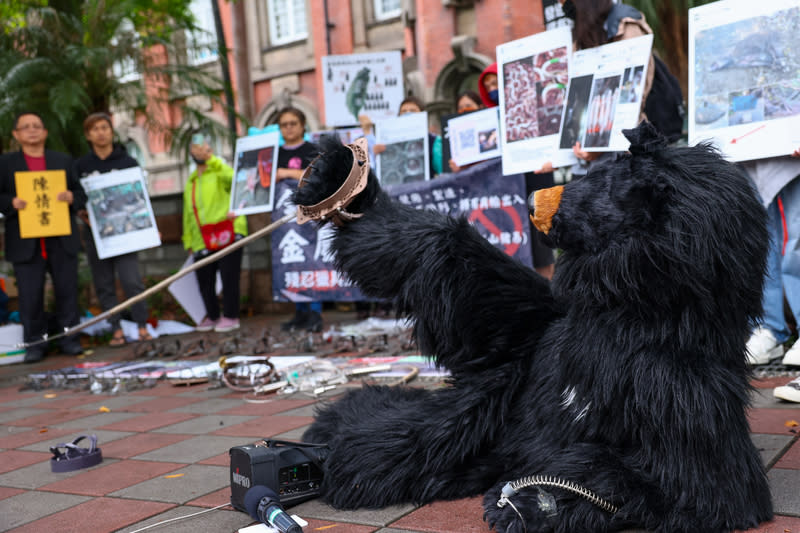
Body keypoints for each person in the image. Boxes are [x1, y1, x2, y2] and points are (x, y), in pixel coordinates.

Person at [0, 111, 86, 362]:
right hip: (26, 242)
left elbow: (81, 194)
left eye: (37, 126)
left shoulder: (63, 160)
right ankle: (35, 345)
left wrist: (72, 198)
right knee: (30, 296)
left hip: (61, 240)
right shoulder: (5, 164)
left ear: (45, 132)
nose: (32, 130)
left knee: (67, 292)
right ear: (16, 134)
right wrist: (10, 202)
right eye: (26, 127)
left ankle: (71, 340)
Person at [74, 112, 151, 347]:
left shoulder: (128, 162)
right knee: (103, 283)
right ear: (88, 135)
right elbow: (77, 198)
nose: (101, 132)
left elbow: (141, 197)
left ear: (111, 131)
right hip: (96, 234)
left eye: (105, 127)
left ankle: (142, 326)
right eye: (95, 128)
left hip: (126, 233)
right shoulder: (81, 166)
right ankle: (115, 329)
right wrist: (81, 212)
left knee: (132, 281)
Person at [182, 135, 247, 333]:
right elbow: (187, 214)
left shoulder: (220, 170)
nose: (201, 150)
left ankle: (231, 316)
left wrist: (213, 160)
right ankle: (212, 316)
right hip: (202, 237)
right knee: (204, 280)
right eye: (196, 147)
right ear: (191, 152)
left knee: (229, 276)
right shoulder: (191, 182)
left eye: (205, 147)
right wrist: (188, 241)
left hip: (229, 230)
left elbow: (237, 181)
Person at [743, 148, 800, 367]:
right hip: (750, 151)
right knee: (759, 238)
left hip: (791, 149)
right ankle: (769, 327)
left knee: (795, 235)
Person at [274, 107, 323, 332]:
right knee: (290, 263)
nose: (289, 128)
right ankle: (299, 312)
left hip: (308, 214)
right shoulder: (273, 153)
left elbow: (318, 175)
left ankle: (315, 312)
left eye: (293, 123)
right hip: (283, 217)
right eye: (284, 124)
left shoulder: (313, 149)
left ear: (303, 125)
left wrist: (286, 173)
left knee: (310, 260)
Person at [373, 96, 443, 178]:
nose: (408, 113)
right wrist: (377, 157)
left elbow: (442, 170)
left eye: (413, 111)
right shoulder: (388, 142)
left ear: (422, 114)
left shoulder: (434, 141)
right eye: (403, 111)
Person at [447, 90, 484, 174]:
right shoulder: (453, 135)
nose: (464, 110)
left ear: (480, 107)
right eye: (460, 108)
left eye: (468, 106)